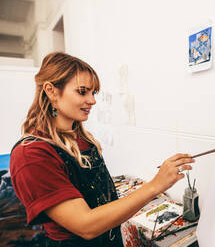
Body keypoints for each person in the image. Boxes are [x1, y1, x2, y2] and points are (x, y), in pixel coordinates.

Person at [9, 52, 194, 246]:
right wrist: (156, 185)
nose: (92, 101)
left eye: (93, 93)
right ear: (51, 91)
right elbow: (85, 225)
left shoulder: (80, 137)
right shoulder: (31, 155)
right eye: (82, 92)